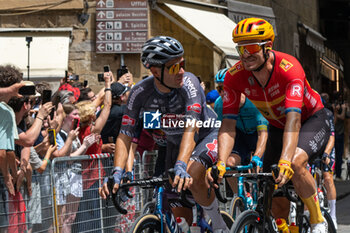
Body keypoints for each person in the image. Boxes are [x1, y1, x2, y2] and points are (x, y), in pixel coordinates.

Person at [209, 18, 330, 233]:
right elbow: (228, 125)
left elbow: (294, 119)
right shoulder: (234, 77)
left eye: (252, 47)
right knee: (271, 187)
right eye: (241, 48)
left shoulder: (289, 68)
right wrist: (220, 163)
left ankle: (317, 219)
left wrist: (284, 160)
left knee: (293, 163)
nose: (246, 54)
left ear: (268, 46)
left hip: (310, 120)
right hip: (277, 126)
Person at [99, 36, 229, 232]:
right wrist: (117, 172)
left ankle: (220, 226)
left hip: (205, 135)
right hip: (174, 144)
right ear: (155, 70)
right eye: (175, 67)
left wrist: (181, 165)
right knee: (180, 216)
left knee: (191, 172)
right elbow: (125, 135)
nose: (182, 71)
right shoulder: (139, 92)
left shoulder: (189, 84)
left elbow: (191, 130)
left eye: (183, 64)